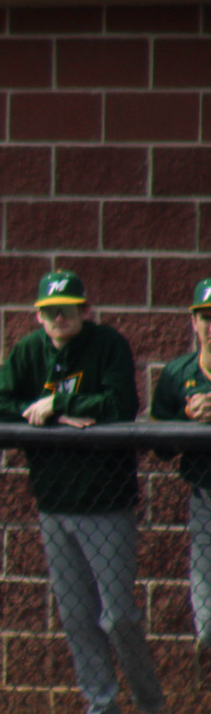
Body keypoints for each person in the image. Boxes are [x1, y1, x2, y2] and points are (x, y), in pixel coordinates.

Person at [0, 270, 173, 714]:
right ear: (38, 315)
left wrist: (58, 401)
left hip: (106, 503)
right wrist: (56, 411)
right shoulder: (29, 350)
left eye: (67, 307)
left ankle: (151, 710)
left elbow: (120, 403)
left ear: (84, 309)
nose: (58, 316)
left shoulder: (108, 343)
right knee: (75, 616)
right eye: (49, 310)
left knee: (117, 615)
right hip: (53, 502)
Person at [150, 276, 211, 672]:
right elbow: (160, 445)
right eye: (206, 316)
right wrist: (188, 422)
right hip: (205, 497)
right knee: (207, 619)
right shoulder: (178, 373)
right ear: (193, 322)